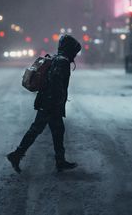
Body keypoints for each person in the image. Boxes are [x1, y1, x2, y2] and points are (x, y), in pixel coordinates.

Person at [7, 35, 82, 173]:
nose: (75, 55)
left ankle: (60, 161)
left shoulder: (57, 59)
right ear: (70, 49)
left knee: (57, 131)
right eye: (74, 52)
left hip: (48, 102)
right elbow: (56, 83)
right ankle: (16, 155)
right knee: (37, 130)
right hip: (50, 104)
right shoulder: (62, 62)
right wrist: (56, 103)